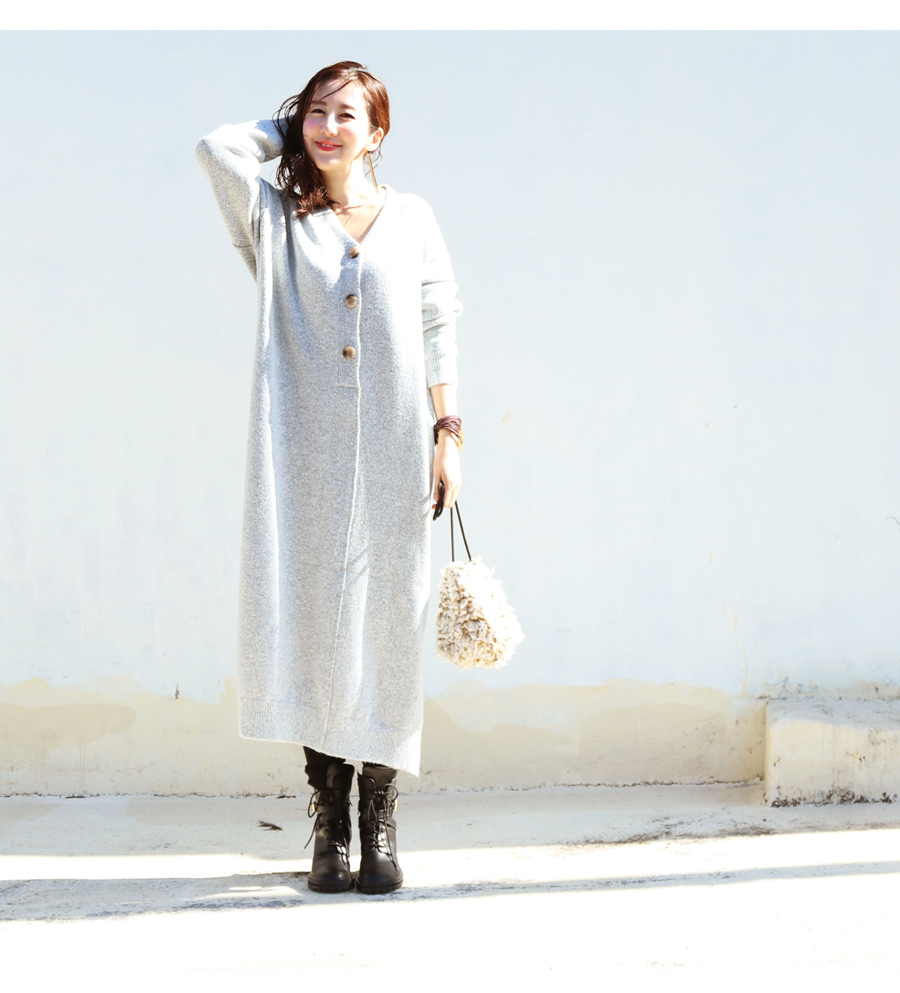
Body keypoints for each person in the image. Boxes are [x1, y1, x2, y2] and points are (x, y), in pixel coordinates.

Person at [195, 61, 463, 895]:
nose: (329, 127)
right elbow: (214, 148)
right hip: (300, 449)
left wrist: (448, 432)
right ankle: (330, 817)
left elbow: (439, 320)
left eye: (348, 115)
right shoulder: (277, 218)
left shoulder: (412, 218)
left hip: (394, 444)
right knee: (314, 622)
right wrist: (293, 133)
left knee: (389, 620)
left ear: (379, 132)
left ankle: (379, 811)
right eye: (316, 112)